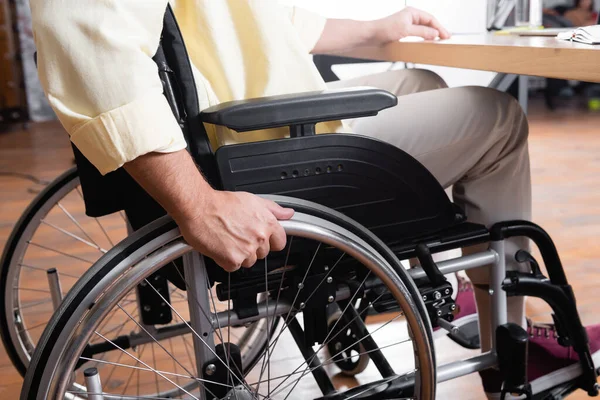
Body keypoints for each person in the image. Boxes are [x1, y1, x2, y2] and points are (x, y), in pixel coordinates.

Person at [29, 1, 599, 398]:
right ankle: (514, 339)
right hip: (251, 157)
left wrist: (378, 29)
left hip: (240, 119)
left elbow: (252, 22)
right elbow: (90, 45)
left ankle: (460, 288)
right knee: (497, 118)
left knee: (422, 84)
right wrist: (199, 206)